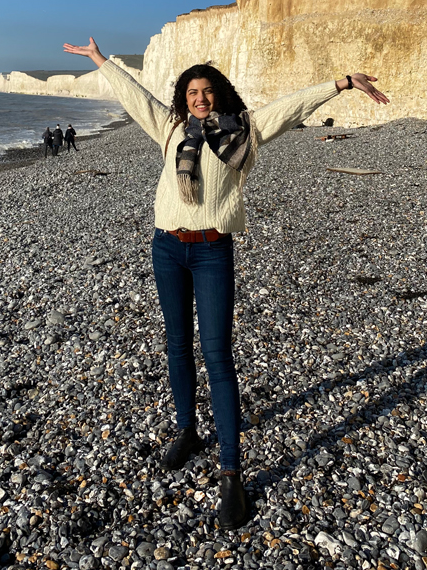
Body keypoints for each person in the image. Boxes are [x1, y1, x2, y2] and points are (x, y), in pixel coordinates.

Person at [63, 37, 389, 530]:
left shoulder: (246, 131)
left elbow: (291, 105)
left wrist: (340, 83)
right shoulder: (172, 129)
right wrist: (101, 61)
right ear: (184, 98)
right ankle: (187, 430)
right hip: (167, 247)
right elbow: (136, 98)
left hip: (213, 250)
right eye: (192, 92)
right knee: (177, 346)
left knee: (217, 354)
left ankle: (232, 473)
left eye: (207, 91)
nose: (199, 98)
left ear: (220, 94)